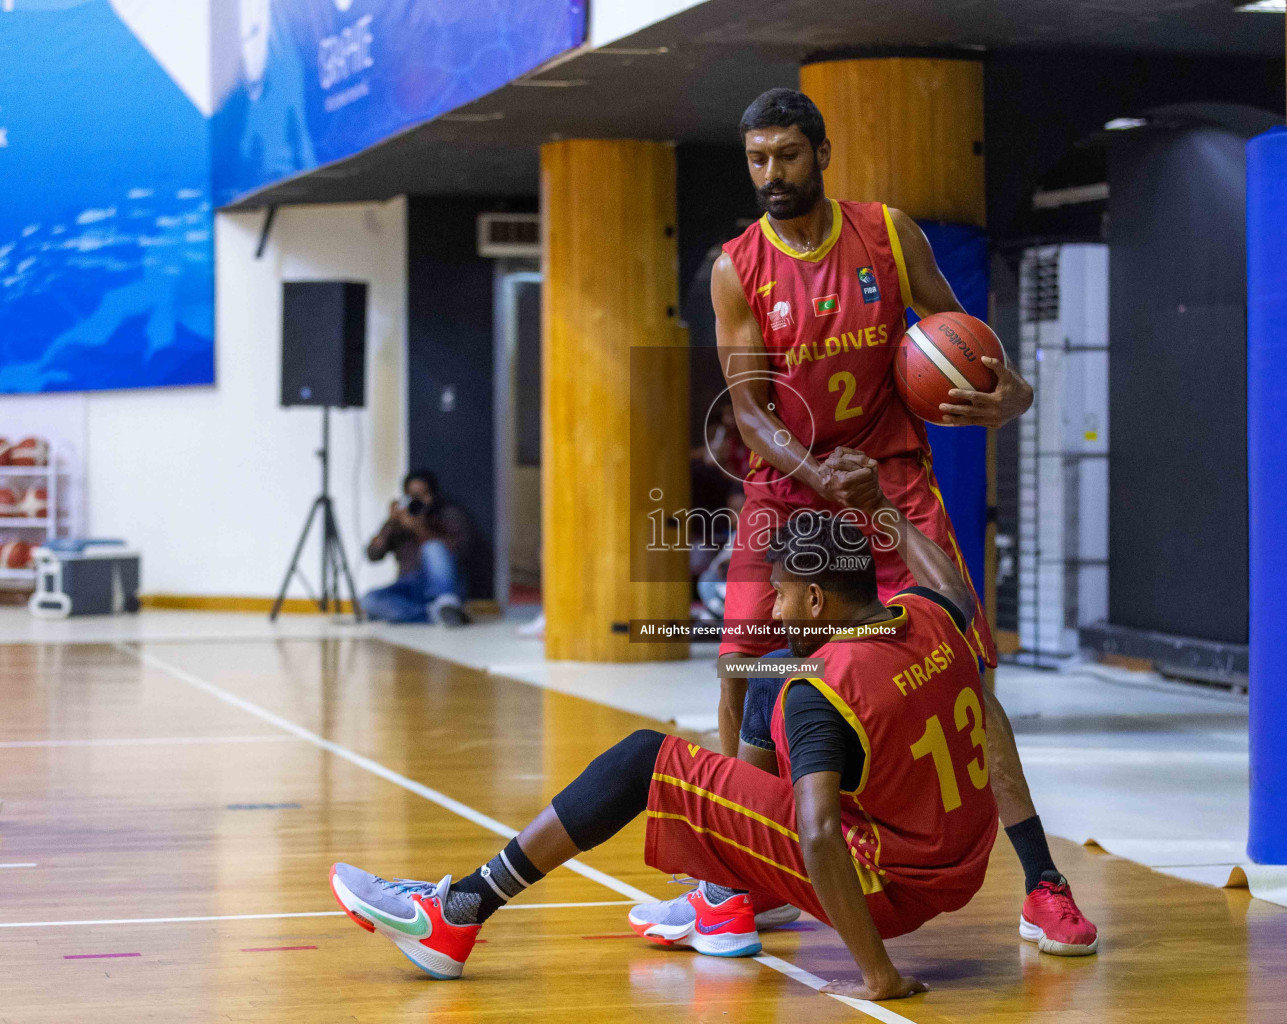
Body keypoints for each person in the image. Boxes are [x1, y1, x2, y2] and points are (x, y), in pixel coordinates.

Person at [665, 86, 1097, 955]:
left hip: (892, 484)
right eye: (757, 159)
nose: (772, 174)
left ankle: (1043, 883)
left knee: (965, 673)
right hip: (789, 490)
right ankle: (740, 880)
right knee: (744, 682)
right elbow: (749, 413)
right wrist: (815, 472)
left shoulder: (888, 234)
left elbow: (958, 335)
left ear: (821, 154)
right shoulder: (735, 266)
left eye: (787, 155)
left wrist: (1010, 390)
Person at [331, 496, 998, 1000]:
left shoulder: (823, 690)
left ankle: (460, 912)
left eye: (784, 594)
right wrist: (883, 507)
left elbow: (820, 832)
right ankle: (724, 894)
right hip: (958, 864)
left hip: (884, 885)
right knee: (761, 682)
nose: (772, 605)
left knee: (646, 756)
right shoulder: (930, 615)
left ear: (818, 598)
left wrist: (880, 974)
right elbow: (949, 583)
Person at [361, 469, 470, 627]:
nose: (417, 501)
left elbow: (460, 551)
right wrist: (390, 522)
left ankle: (445, 604)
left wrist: (418, 527)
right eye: (412, 496)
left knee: (433, 548)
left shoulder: (447, 515)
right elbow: (373, 555)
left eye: (422, 495)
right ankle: (437, 614)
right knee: (369, 601)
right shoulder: (398, 520)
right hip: (408, 587)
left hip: (441, 586)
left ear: (432, 495)